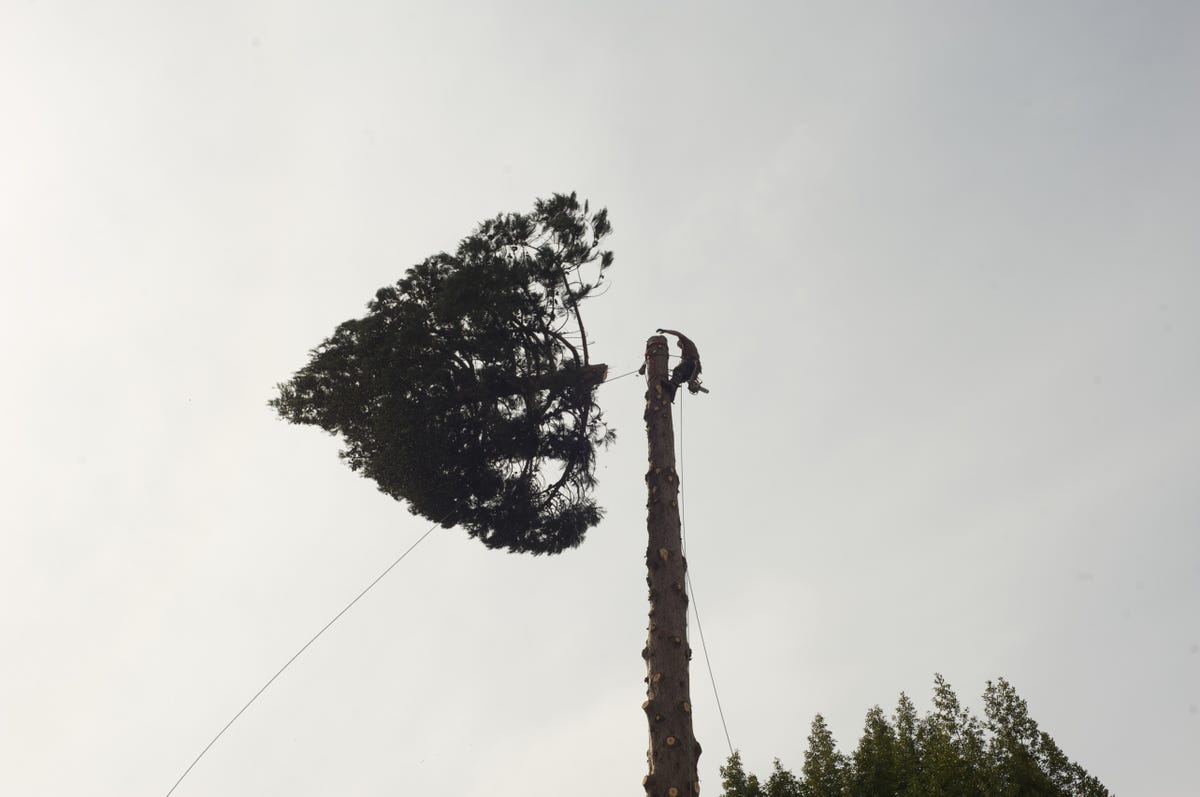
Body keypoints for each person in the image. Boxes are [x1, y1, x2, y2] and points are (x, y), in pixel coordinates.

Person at [656, 328, 708, 401]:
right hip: (691, 368)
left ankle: (671, 387)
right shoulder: (686, 351)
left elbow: (677, 333)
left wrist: (665, 331)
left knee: (677, 371)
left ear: (681, 342)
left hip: (692, 363)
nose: (680, 347)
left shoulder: (686, 342)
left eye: (679, 345)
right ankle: (672, 393)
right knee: (679, 378)